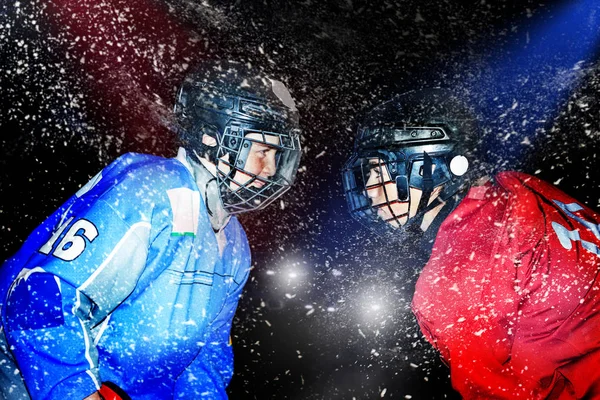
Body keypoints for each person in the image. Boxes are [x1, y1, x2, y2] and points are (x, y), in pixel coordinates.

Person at [0, 59, 302, 400]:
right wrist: (76, 391)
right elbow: (40, 298)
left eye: (277, 154)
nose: (272, 168)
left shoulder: (234, 244)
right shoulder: (153, 190)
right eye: (262, 150)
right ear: (213, 137)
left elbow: (205, 356)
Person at [342, 88, 600, 399]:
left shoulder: (452, 282)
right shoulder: (518, 186)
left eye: (377, 170)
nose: (370, 190)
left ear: (428, 167)